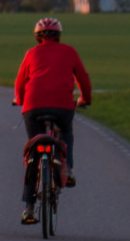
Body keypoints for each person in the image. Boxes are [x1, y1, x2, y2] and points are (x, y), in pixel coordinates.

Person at [13, 17, 92, 224]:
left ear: (37, 37)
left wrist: (19, 99)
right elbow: (83, 78)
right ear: (58, 36)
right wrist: (85, 99)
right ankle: (66, 168)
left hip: (33, 106)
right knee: (65, 134)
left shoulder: (31, 53)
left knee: (34, 150)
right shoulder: (70, 51)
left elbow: (20, 81)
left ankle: (29, 208)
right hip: (62, 106)